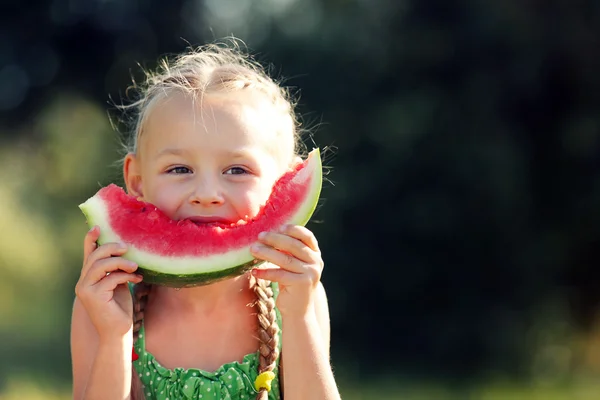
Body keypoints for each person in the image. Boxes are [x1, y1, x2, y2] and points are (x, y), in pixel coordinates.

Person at [70, 39, 341, 400]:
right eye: (180, 168)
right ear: (136, 181)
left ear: (281, 185)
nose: (207, 193)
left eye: (237, 169)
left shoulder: (294, 294)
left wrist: (300, 316)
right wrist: (113, 337)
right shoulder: (108, 301)